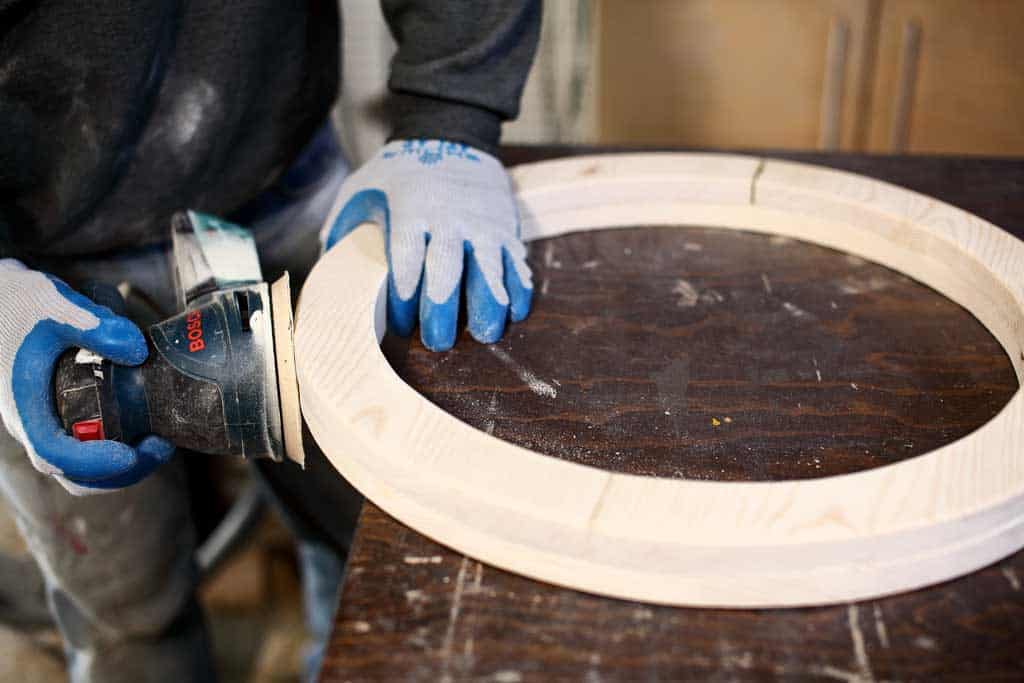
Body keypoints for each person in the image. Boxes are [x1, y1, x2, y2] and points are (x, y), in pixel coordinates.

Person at [0, 1, 540, 681]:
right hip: (39, 281)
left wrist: (449, 122)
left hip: (280, 184)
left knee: (370, 555)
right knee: (126, 618)